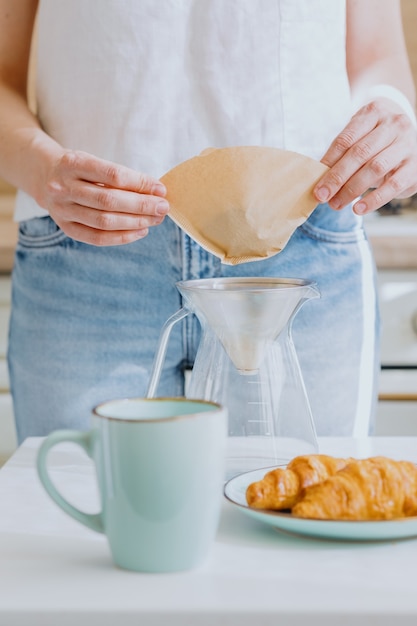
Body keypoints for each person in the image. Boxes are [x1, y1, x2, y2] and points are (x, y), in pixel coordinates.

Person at [1, 0, 416, 443]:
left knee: (312, 501)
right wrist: (43, 170)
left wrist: (392, 118)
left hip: (300, 249)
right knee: (79, 501)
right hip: (86, 249)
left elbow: (376, 57)